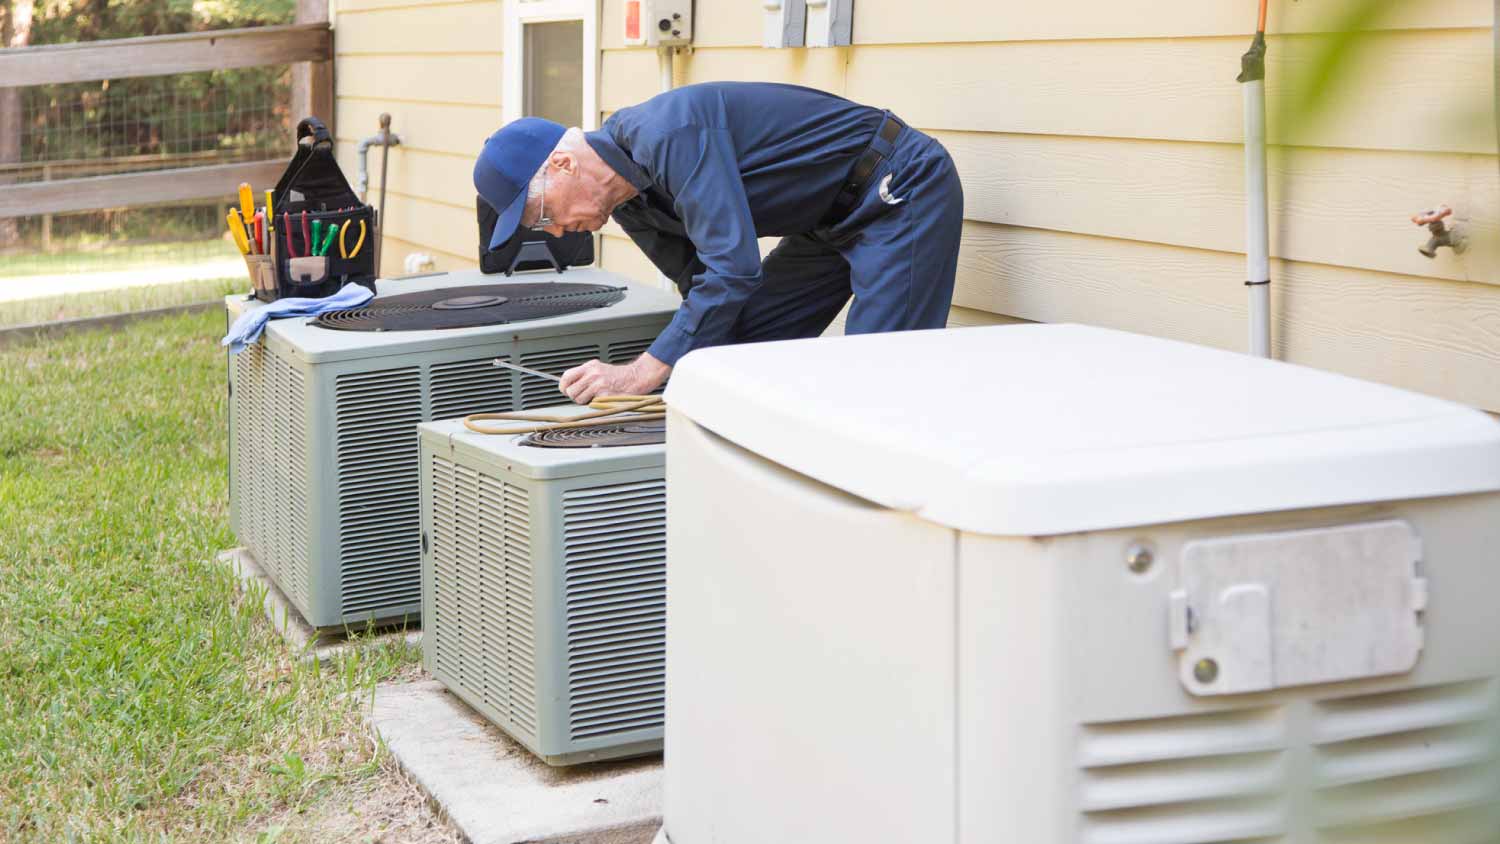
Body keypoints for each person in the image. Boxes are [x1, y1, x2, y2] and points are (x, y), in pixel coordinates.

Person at [472, 81, 964, 405]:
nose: (555, 230)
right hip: (825, 222)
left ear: (562, 165)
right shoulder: (628, 201)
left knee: (876, 383)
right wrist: (666, 378)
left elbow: (732, 271)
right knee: (726, 349)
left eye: (542, 213)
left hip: (896, 184)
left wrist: (639, 373)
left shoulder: (668, 135)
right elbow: (701, 285)